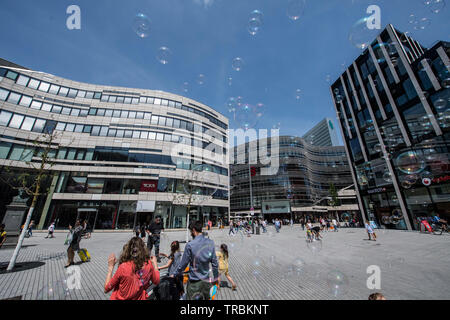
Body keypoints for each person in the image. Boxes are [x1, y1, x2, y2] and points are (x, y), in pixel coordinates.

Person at [173, 220, 219, 300]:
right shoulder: (210, 242)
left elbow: (183, 265)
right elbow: (215, 263)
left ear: (194, 230)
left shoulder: (190, 245)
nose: (191, 233)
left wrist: (175, 274)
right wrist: (215, 278)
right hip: (206, 282)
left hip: (194, 283)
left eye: (191, 231)